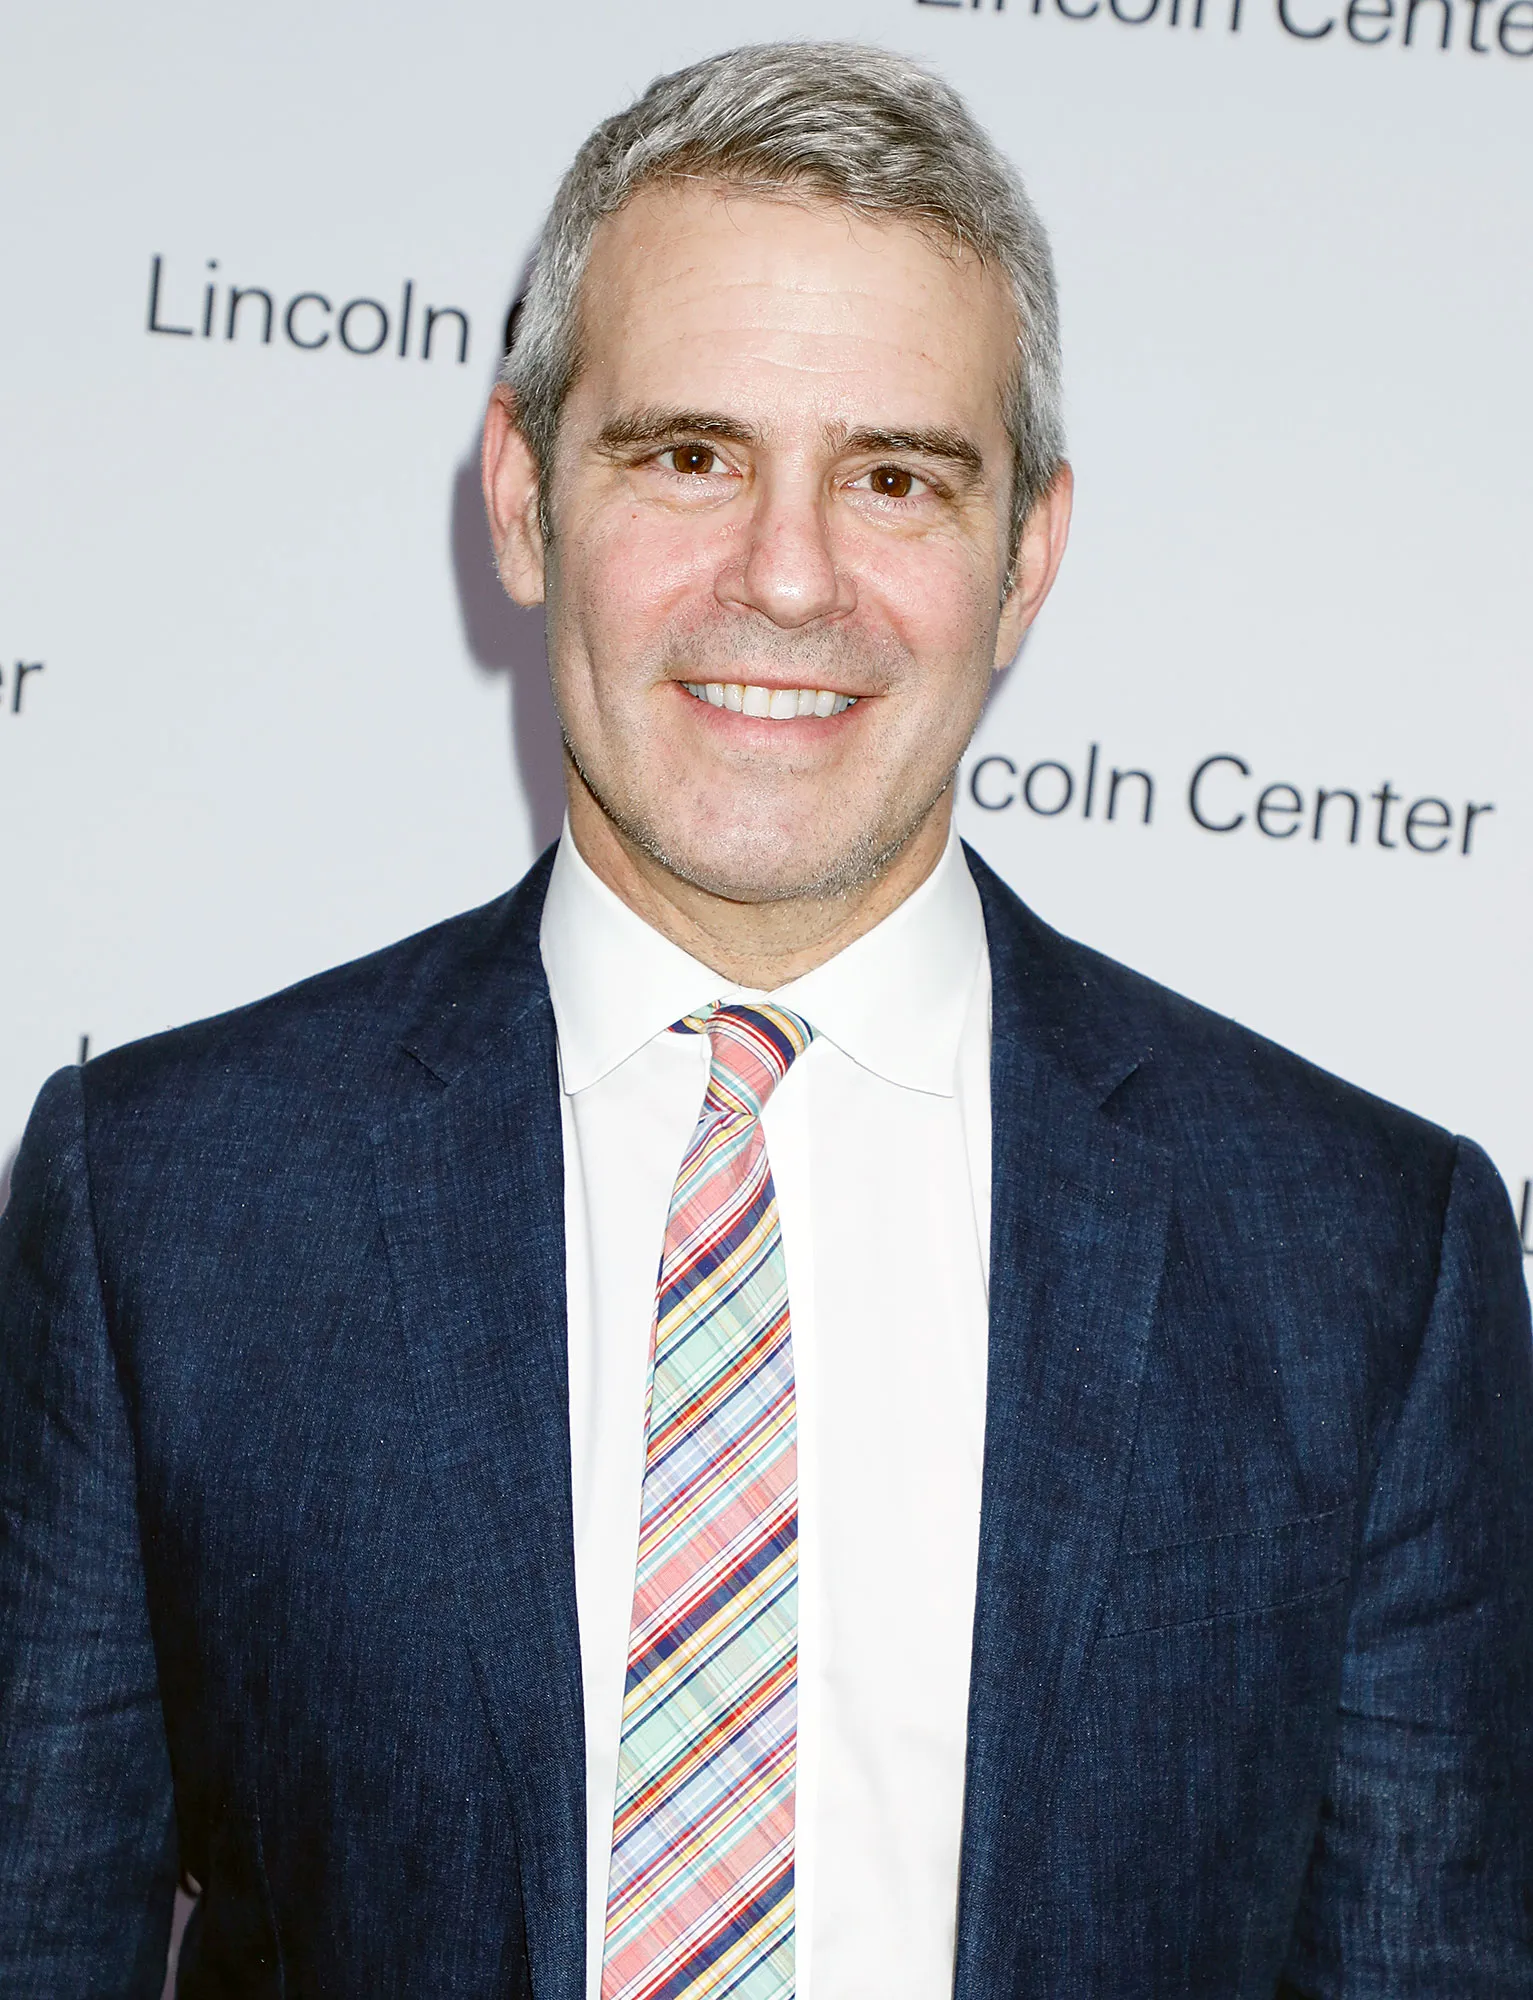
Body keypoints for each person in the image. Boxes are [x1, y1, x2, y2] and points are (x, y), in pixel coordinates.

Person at [2, 40, 1529, 2000]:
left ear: (1025, 558)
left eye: (894, 478)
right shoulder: (165, 1207)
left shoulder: (1364, 1261)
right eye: (688, 457)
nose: (788, 578)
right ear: (522, 499)